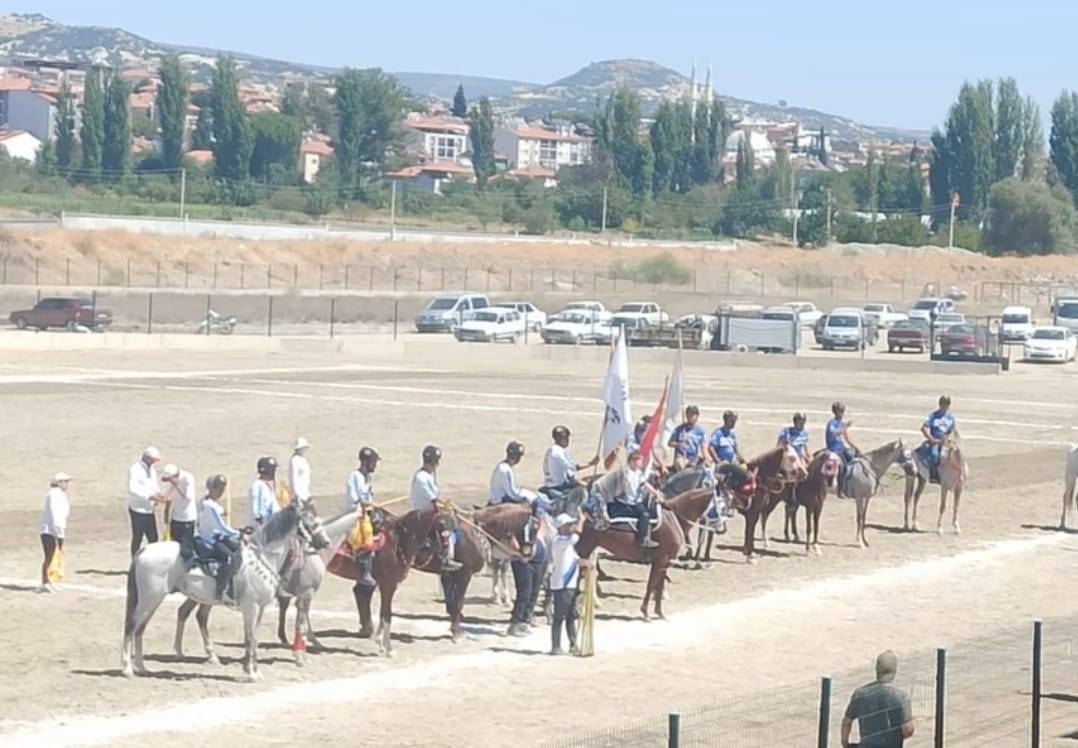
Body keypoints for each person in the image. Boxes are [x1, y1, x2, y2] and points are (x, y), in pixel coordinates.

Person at [841, 650, 915, 748]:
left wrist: (845, 743)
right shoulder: (900, 697)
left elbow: (847, 722)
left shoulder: (860, 694)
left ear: (876, 669)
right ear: (894, 671)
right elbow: (908, 730)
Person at [409, 445, 461, 571]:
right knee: (444, 524)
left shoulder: (429, 476)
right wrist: (445, 507)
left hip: (430, 508)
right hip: (422, 512)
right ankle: (445, 558)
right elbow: (433, 499)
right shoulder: (421, 477)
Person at [197, 474, 245, 602]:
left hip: (212, 536)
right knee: (229, 557)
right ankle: (221, 591)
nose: (220, 492)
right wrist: (238, 534)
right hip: (211, 540)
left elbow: (220, 511)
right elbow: (221, 526)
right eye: (218, 489)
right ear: (212, 489)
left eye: (221, 489)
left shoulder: (205, 502)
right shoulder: (209, 506)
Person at [608, 449, 661, 553]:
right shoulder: (625, 473)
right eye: (639, 461)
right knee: (645, 515)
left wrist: (656, 493)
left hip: (637, 501)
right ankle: (643, 540)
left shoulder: (638, 473)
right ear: (632, 461)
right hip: (627, 502)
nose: (641, 463)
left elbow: (645, 484)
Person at [549, 512, 584, 656]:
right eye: (569, 525)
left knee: (571, 616)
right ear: (561, 527)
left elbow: (575, 560)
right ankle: (556, 646)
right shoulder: (559, 541)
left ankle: (573, 644)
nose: (572, 527)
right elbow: (577, 536)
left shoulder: (566, 543)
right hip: (562, 585)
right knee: (559, 617)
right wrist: (581, 521)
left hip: (570, 584)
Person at [345, 446, 380, 588]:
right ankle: (364, 574)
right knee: (365, 535)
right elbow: (355, 499)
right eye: (373, 462)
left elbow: (369, 496)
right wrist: (368, 504)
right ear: (366, 463)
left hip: (367, 512)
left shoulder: (368, 477)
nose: (375, 466)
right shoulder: (354, 477)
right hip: (356, 514)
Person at [507, 518, 546, 637]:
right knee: (525, 592)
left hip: (538, 561)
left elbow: (541, 533)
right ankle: (515, 622)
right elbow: (510, 537)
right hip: (523, 561)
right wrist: (518, 550)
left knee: (534, 592)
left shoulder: (536, 522)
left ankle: (526, 619)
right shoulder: (518, 524)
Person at [127, 446, 165, 557]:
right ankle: (134, 561)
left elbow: (153, 484)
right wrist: (149, 496)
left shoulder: (151, 468)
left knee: (153, 537)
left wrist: (158, 494)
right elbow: (132, 489)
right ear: (147, 458)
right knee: (138, 537)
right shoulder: (135, 469)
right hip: (138, 509)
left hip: (149, 509)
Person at [541, 426, 599, 498]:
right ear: (558, 438)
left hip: (553, 484)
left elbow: (569, 475)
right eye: (565, 438)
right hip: (558, 486)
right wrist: (591, 464)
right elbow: (574, 467)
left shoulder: (553, 451)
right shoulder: (558, 452)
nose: (568, 440)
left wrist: (581, 483)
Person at [40, 472, 72, 593]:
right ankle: (46, 581)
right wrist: (57, 526)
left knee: (57, 556)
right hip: (50, 530)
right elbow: (55, 511)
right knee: (50, 556)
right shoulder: (54, 494)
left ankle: (54, 579)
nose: (67, 484)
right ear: (58, 483)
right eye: (65, 482)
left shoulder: (60, 495)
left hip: (58, 530)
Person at [826, 402, 861, 498]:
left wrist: (855, 447)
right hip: (834, 449)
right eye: (839, 412)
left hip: (842, 448)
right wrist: (845, 427)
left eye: (842, 411)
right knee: (843, 467)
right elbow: (834, 433)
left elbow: (846, 438)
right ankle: (840, 490)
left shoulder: (841, 424)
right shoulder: (831, 424)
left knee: (855, 460)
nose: (841, 414)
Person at [161, 463, 197, 555]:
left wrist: (176, 485)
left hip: (187, 517)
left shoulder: (188, 478)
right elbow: (168, 491)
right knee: (175, 545)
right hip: (176, 517)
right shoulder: (173, 480)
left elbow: (188, 498)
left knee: (186, 547)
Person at [921, 395, 956, 483]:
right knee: (935, 455)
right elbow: (924, 428)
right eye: (942, 403)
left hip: (946, 441)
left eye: (946, 403)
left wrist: (951, 440)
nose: (944, 405)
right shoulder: (933, 416)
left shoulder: (950, 417)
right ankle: (934, 475)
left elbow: (952, 431)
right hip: (935, 440)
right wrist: (931, 438)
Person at [489, 441, 529, 506]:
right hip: (500, 501)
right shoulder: (505, 470)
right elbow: (512, 493)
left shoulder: (501, 466)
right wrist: (524, 498)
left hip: (496, 499)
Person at [668, 405, 706, 470]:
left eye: (692, 415)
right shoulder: (679, 429)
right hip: (681, 456)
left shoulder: (700, 432)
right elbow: (670, 443)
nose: (689, 417)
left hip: (693, 457)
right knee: (681, 465)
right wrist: (678, 444)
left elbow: (703, 447)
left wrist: (705, 457)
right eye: (688, 415)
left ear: (697, 417)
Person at [248, 457, 279, 527]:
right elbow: (256, 509)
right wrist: (262, 523)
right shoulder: (257, 485)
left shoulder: (267, 486)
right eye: (272, 470)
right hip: (263, 528)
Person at [289, 437, 312, 506]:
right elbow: (294, 478)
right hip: (299, 493)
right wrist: (296, 494)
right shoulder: (295, 460)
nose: (305, 449)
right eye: (303, 448)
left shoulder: (303, 459)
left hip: (305, 491)